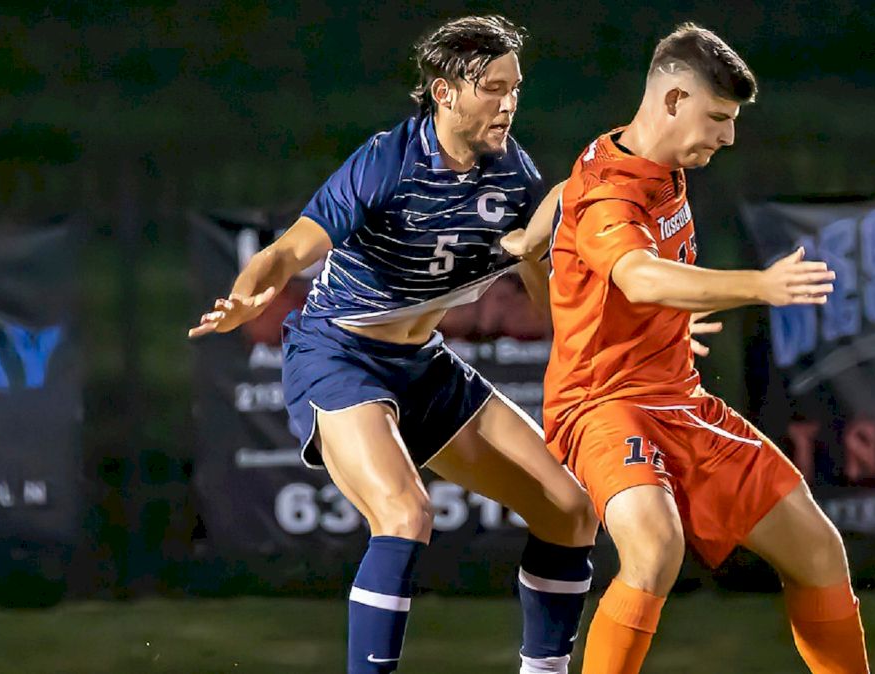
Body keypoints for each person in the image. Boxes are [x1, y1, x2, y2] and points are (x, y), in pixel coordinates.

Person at [188, 16, 599, 674]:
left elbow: (549, 291)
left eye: (515, 87)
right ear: (444, 92)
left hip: (423, 364)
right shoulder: (388, 162)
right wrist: (248, 292)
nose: (509, 102)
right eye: (492, 88)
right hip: (339, 354)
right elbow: (291, 249)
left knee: (571, 512)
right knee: (405, 514)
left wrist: (608, 312)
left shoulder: (513, 174)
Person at [541, 23, 870, 674]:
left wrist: (657, 321)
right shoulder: (613, 186)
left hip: (678, 400)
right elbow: (635, 273)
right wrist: (760, 285)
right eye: (717, 117)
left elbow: (590, 240)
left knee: (817, 549)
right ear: (671, 102)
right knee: (656, 549)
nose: (727, 136)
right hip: (603, 406)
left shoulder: (656, 166)